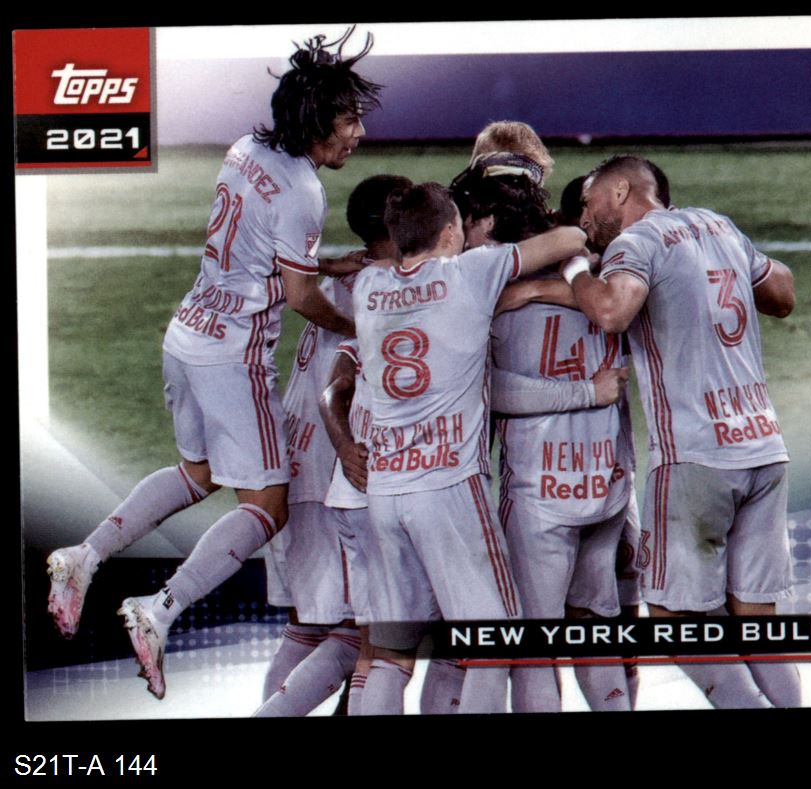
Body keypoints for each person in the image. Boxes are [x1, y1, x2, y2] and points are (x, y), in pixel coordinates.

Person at [45, 28, 382, 700]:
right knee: (270, 505)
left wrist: (325, 263)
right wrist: (363, 331)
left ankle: (84, 555)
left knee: (196, 473)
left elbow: (260, 247)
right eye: (349, 118)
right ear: (318, 120)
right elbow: (300, 298)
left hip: (187, 333)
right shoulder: (304, 190)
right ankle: (160, 608)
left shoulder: (245, 149)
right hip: (233, 355)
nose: (359, 133)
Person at [568, 154, 802, 708]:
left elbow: (611, 312)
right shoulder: (718, 225)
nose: (584, 217)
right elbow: (783, 295)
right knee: (756, 617)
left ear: (620, 191)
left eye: (588, 201)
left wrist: (576, 271)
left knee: (673, 615)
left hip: (695, 456)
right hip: (764, 447)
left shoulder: (635, 242)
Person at [351, 182, 588, 714]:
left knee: (391, 652)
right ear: (450, 231)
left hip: (385, 491)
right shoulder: (470, 273)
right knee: (495, 643)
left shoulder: (367, 285)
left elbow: (390, 269)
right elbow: (569, 239)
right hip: (449, 487)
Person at [452, 154, 634, 712]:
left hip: (540, 497)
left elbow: (490, 394)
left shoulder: (485, 291)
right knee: (593, 625)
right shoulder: (601, 276)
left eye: (467, 222)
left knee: (533, 644)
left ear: (487, 221)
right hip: (606, 486)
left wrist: (580, 393)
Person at [255, 175, 411, 716]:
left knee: (308, 626)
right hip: (331, 477)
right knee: (354, 634)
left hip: (299, 466)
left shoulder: (350, 277)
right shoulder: (388, 286)